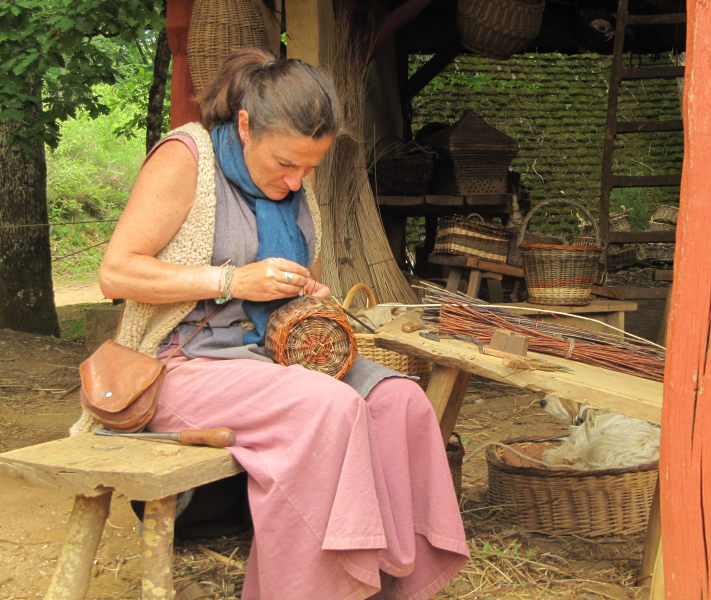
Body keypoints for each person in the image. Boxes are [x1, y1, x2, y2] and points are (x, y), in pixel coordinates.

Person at [69, 47, 468, 599]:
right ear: (245, 126)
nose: (298, 179)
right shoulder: (189, 160)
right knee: (327, 406)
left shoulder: (298, 183)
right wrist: (230, 281)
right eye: (286, 163)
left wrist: (307, 292)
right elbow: (116, 273)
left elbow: (306, 277)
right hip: (177, 364)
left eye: (311, 166)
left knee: (401, 403)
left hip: (268, 362)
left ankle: (388, 585)